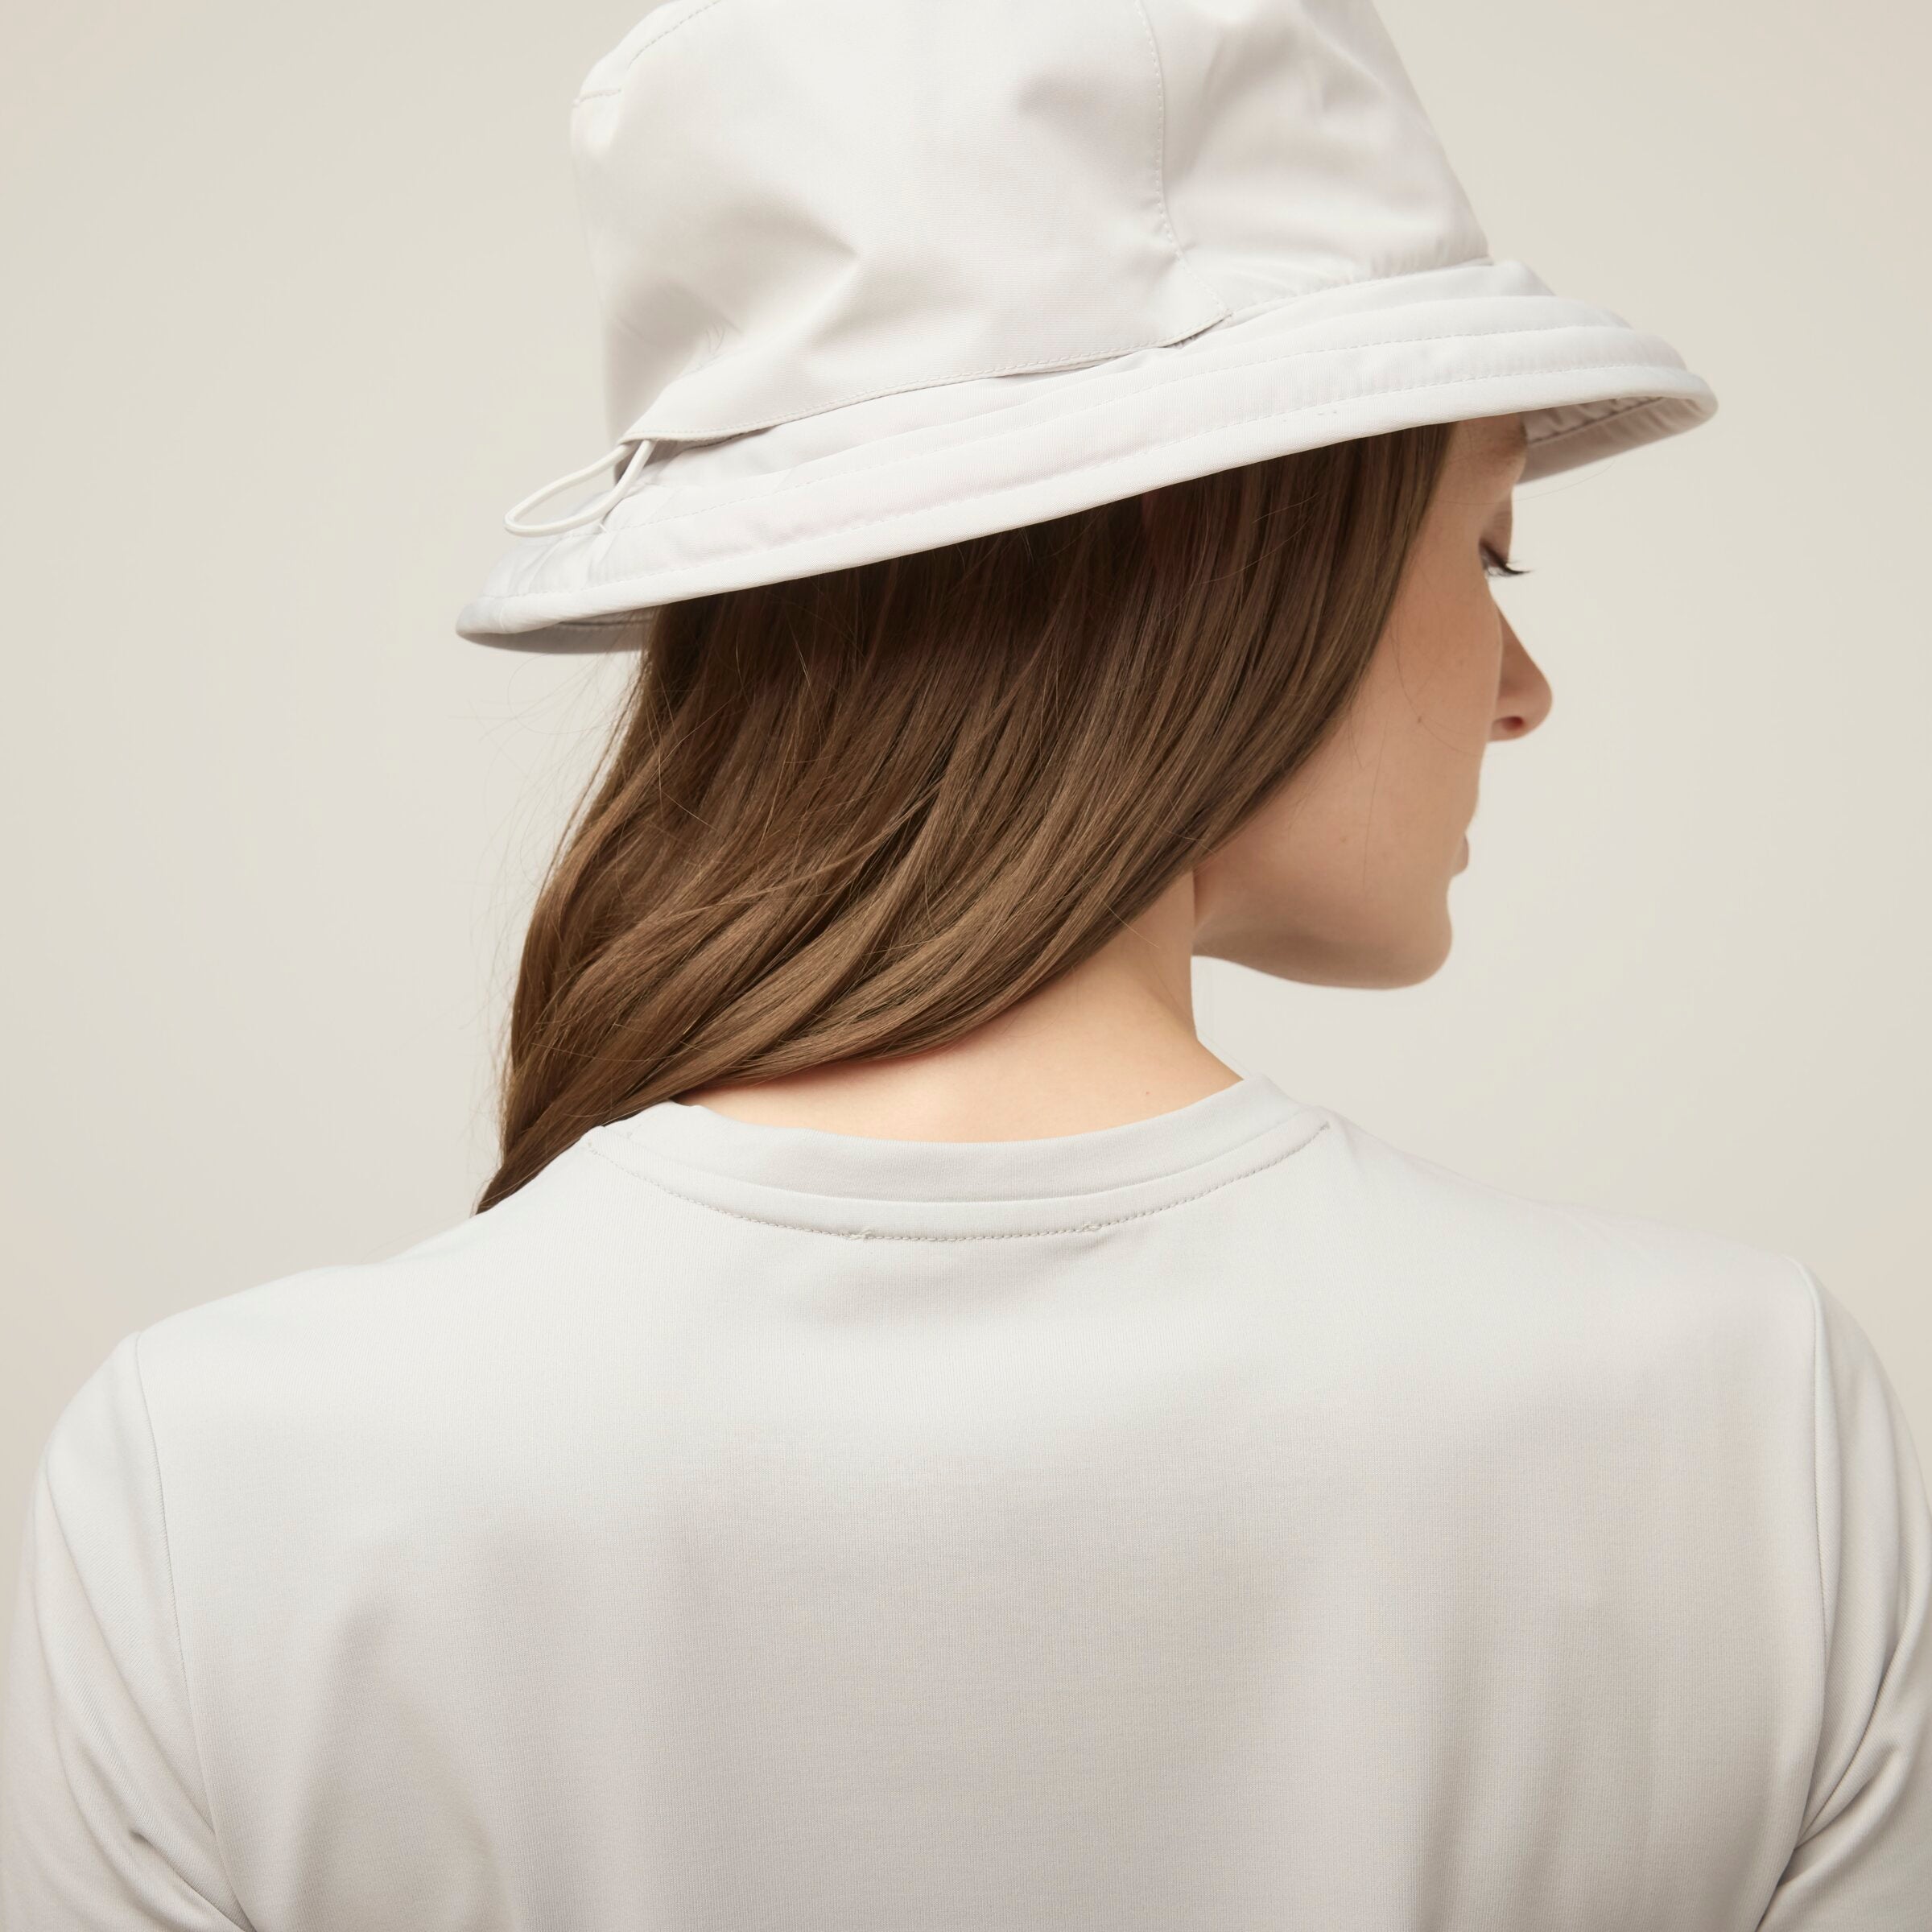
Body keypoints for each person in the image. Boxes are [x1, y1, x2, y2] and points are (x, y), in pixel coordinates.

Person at [4, 2, 1927, 1927]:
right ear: (1203, 543)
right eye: (1489, 549)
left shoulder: (221, 1480)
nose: (1524, 689)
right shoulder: (1740, 1434)